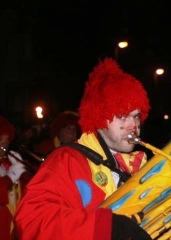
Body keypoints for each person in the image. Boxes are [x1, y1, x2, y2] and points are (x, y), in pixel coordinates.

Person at [14, 58, 152, 240]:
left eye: (135, 116)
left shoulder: (139, 165)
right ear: (99, 118)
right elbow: (31, 221)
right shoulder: (68, 160)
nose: (133, 126)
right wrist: (106, 227)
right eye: (122, 116)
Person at [0, 116, 32, 240]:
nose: (4, 143)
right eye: (0, 138)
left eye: (6, 139)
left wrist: (23, 171)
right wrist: (9, 178)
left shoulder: (6, 163)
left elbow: (29, 188)